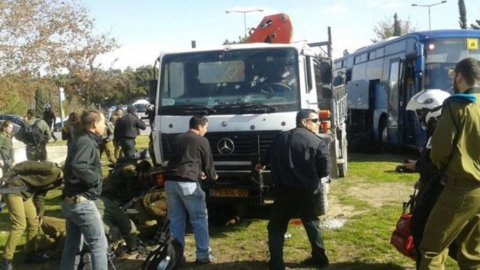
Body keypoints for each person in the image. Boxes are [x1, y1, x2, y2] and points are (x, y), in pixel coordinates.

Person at [419, 57, 480, 269]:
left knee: (432, 249)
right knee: (472, 253)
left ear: (460, 77)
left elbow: (440, 150)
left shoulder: (457, 106)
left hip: (460, 188)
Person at [255, 109, 331, 270]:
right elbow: (324, 171)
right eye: (315, 120)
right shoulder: (318, 142)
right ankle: (320, 258)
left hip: (283, 192)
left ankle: (276, 263)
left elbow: (263, 161)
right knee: (311, 223)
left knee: (276, 227)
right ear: (304, 122)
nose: (318, 124)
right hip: (307, 192)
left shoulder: (280, 138)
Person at [402, 89, 453, 268]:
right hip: (433, 186)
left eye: (421, 112)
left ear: (433, 110)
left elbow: (439, 166)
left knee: (422, 230)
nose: (419, 116)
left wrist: (417, 167)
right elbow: (431, 160)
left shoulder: (440, 130)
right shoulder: (436, 129)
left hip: (439, 189)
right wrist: (423, 178)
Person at [165, 115, 218, 264]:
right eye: (206, 128)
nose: (206, 131)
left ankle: (176, 257)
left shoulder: (177, 138)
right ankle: (203, 255)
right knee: (199, 219)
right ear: (200, 126)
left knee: (176, 221)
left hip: (170, 182)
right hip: (188, 184)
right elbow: (208, 163)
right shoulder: (202, 140)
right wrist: (213, 176)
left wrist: (197, 171)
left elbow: (180, 160)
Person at [60, 110, 108, 270]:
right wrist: (96, 179)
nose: (105, 125)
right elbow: (78, 165)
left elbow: (69, 167)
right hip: (81, 203)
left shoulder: (81, 140)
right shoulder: (86, 142)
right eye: (103, 122)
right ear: (95, 124)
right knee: (99, 245)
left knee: (72, 246)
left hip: (71, 200)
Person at [1, 160, 63, 269]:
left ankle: (31, 254)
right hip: (13, 188)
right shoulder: (51, 168)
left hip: (25, 193)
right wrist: (7, 176)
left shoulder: (58, 181)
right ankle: (7, 259)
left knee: (34, 222)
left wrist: (41, 213)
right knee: (20, 225)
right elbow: (25, 165)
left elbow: (39, 195)